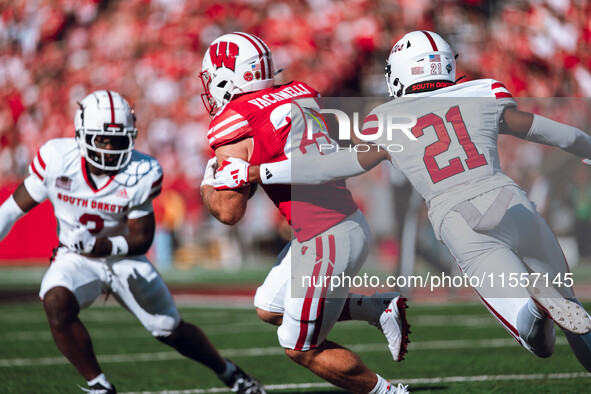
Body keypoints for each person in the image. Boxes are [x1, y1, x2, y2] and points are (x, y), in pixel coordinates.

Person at [212, 31, 591, 372]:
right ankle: (552, 301)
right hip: (512, 203)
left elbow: (337, 164)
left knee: (535, 338)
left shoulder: (385, 118)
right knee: (575, 311)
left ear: (399, 74)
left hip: (459, 219)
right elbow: (553, 132)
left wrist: (259, 173)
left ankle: (538, 309)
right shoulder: (483, 92)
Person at [0, 90, 264, 394]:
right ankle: (99, 385)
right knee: (56, 301)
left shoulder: (143, 170)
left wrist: (106, 247)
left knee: (170, 330)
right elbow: (9, 211)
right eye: (103, 140)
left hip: (125, 258)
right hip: (76, 257)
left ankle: (230, 372)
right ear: (81, 134)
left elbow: (142, 237)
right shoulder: (56, 158)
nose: (111, 148)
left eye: (119, 140)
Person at [199, 32, 410, 394]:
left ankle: (388, 393)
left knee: (300, 346)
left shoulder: (235, 120)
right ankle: (377, 308)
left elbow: (230, 212)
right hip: (336, 226)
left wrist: (207, 184)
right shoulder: (302, 90)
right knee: (269, 306)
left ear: (226, 77)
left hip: (325, 237)